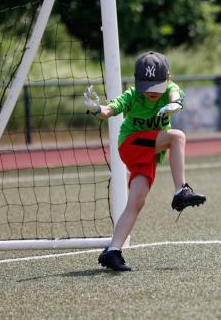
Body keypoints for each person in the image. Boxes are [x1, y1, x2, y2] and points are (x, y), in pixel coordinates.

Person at [84, 51, 206, 271]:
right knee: (177, 136)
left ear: (167, 77)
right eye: (146, 87)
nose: (151, 93)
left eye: (156, 87)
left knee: (136, 202)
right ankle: (181, 190)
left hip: (148, 152)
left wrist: (173, 106)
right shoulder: (132, 95)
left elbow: (176, 100)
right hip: (131, 144)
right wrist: (97, 109)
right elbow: (110, 110)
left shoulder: (171, 89)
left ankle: (113, 250)